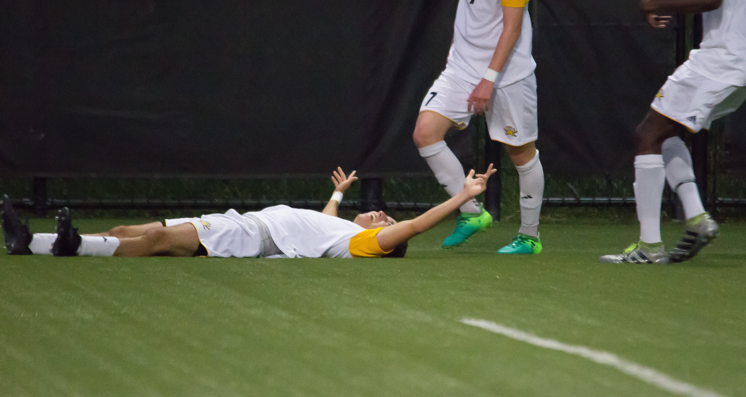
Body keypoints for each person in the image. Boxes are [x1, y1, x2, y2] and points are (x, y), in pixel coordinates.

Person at [601, 0, 746, 264]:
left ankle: (649, 246)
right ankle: (697, 218)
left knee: (646, 135)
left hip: (718, 60)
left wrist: (652, 3)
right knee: (663, 133)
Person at [2, 165, 496, 259]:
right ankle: (35, 242)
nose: (383, 216)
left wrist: (460, 198)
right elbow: (325, 220)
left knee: (151, 243)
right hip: (240, 219)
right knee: (129, 228)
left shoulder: (360, 244)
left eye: (387, 224)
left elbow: (413, 226)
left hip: (251, 239)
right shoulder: (340, 227)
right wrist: (342, 195)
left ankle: (69, 247)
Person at [413, 0, 543, 255]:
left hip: (508, 73)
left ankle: (529, 236)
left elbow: (512, 27)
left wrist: (488, 79)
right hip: (462, 67)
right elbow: (472, 6)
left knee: (521, 153)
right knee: (425, 133)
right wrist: (458, 54)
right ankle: (471, 213)